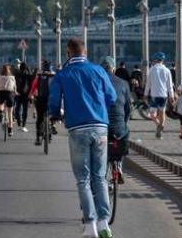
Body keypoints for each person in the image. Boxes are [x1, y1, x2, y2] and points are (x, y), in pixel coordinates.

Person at [49, 40, 117, 238]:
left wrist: (55, 114)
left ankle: (90, 226)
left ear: (68, 53)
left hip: (78, 128)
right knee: (100, 177)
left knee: (83, 179)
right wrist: (98, 107)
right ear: (85, 52)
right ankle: (104, 224)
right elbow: (111, 97)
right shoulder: (99, 70)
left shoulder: (63, 74)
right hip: (100, 127)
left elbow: (54, 101)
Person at [144, 52, 174, 139]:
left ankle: (158, 125)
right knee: (162, 112)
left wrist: (145, 94)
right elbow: (170, 85)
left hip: (154, 95)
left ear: (155, 60)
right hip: (164, 95)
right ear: (163, 60)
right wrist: (171, 96)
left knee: (152, 114)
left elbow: (148, 84)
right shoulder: (167, 70)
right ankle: (161, 126)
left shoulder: (151, 70)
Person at [29, 60, 55, 146]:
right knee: (51, 115)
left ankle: (38, 137)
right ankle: (51, 129)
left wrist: (31, 95)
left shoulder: (39, 76)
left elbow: (33, 87)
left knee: (39, 118)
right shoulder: (54, 76)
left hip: (40, 99)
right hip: (51, 100)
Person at [0, 64, 17, 136]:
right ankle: (10, 131)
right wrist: (15, 92)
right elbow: (14, 87)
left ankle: (0, 112)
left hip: (1, 93)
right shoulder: (12, 77)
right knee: (10, 113)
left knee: (0, 103)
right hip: (9, 94)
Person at [14, 61, 31, 132]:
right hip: (26, 94)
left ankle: (19, 123)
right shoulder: (28, 75)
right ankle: (23, 125)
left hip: (18, 93)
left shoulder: (16, 74)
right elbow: (30, 85)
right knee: (25, 110)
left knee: (17, 109)